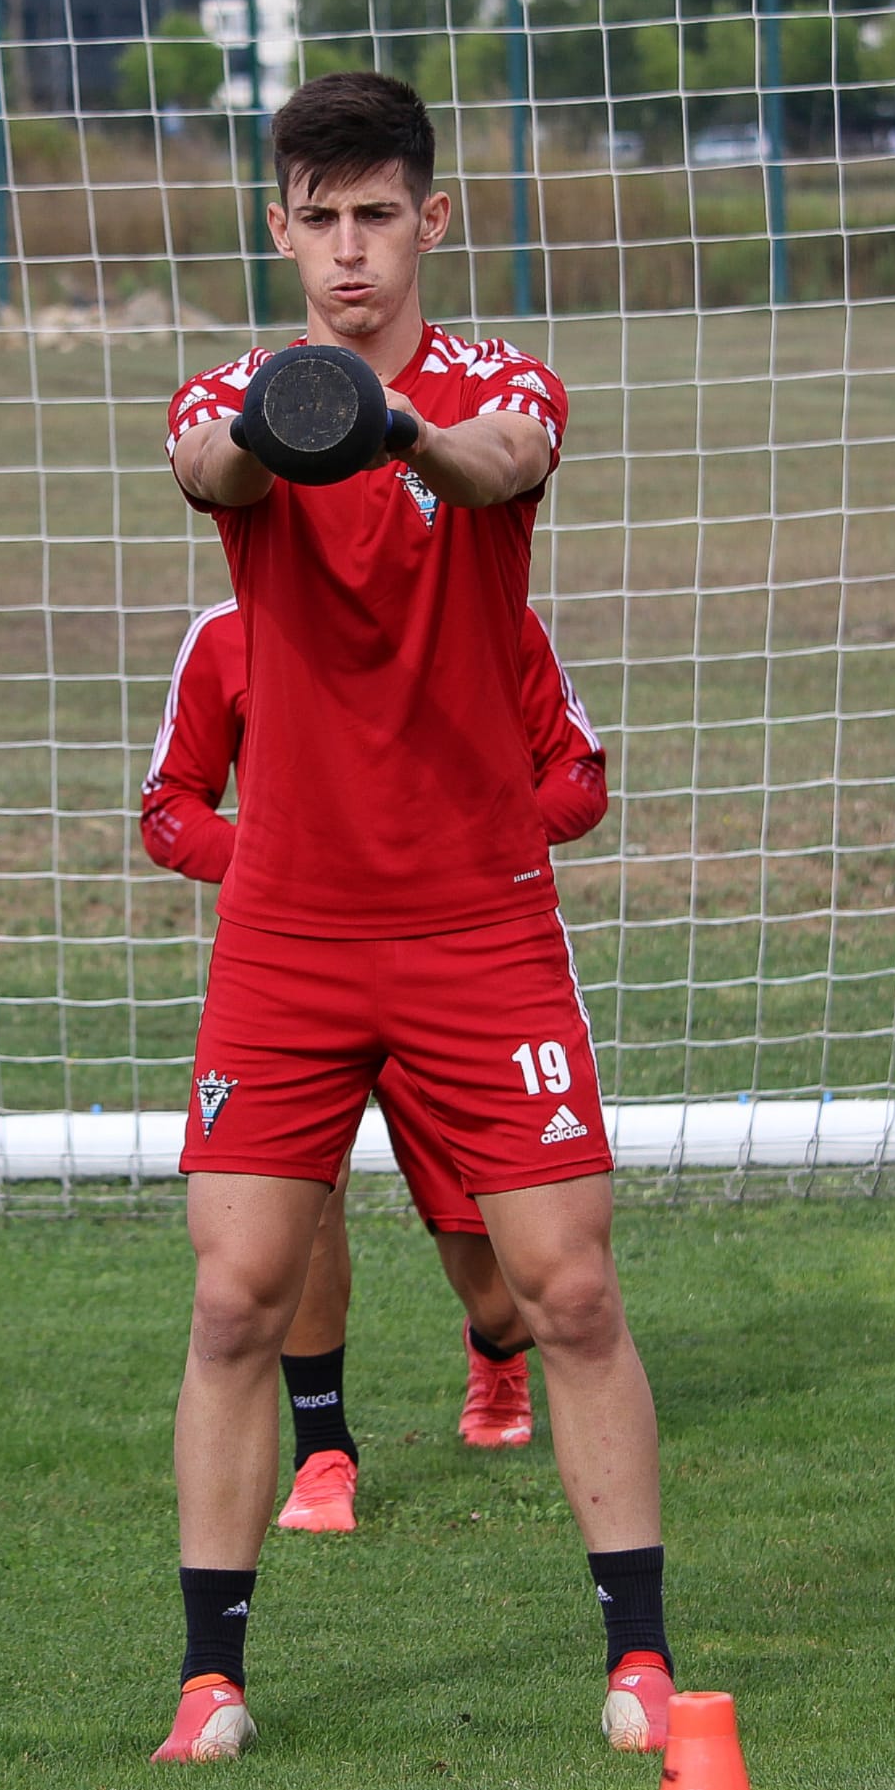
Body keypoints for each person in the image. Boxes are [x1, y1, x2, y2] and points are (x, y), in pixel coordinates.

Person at [151, 70, 673, 1768]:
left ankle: (643, 1660)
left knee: (570, 1287)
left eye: (382, 214)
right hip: (291, 929)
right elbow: (207, 466)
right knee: (234, 1295)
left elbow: (505, 454)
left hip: (477, 922)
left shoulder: (500, 387)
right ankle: (210, 1681)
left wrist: (393, 431)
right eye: (322, 217)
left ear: (429, 220)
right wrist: (292, 420)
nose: (354, 246)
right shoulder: (238, 392)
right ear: (283, 226)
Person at [140, 596, 612, 1528]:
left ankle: (497, 1353)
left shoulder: (491, 620)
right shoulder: (229, 633)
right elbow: (168, 809)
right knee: (287, 1217)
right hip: (301, 973)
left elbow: (578, 778)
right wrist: (293, 866)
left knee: (504, 1282)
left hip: (454, 968)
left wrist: (472, 848)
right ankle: (323, 1450)